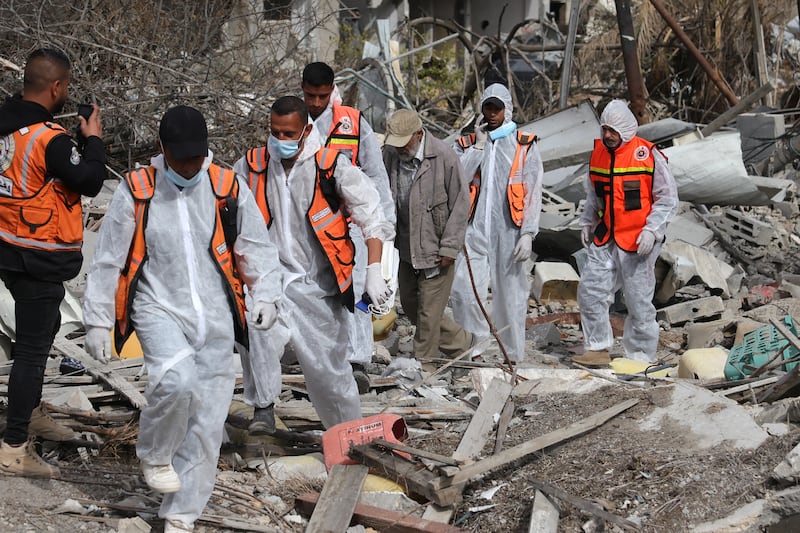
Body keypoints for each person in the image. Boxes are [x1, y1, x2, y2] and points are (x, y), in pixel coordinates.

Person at [82, 105, 282, 533]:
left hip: (216, 315)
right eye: (181, 159)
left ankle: (179, 516)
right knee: (175, 382)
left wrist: (267, 295)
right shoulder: (137, 190)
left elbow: (256, 247)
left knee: (208, 422)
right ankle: (154, 452)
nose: (190, 167)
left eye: (197, 158)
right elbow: (107, 260)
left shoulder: (227, 187)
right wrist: (98, 319)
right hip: (159, 306)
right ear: (161, 149)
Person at [234, 96, 393, 433]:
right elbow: (227, 208)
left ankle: (348, 433)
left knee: (330, 374)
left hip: (318, 285)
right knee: (254, 330)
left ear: (306, 130)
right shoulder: (252, 166)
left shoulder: (330, 166)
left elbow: (373, 218)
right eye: (274, 132)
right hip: (271, 280)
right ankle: (263, 408)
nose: (280, 140)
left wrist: (375, 270)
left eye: (288, 133)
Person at [0, 48, 106, 478]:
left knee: (39, 339)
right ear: (57, 87)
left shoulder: (8, 122)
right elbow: (90, 180)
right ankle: (13, 447)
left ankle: (31, 411)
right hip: (36, 253)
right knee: (31, 348)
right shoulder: (49, 138)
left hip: (8, 243)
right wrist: (94, 139)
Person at [301, 62, 396, 393]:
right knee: (312, 291)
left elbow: (376, 174)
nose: (315, 103)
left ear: (332, 91)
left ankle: (357, 360)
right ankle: (320, 358)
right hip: (309, 224)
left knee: (356, 291)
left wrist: (384, 225)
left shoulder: (353, 123)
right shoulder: (293, 123)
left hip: (351, 224)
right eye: (310, 96)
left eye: (321, 96)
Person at [572, 99, 678, 366]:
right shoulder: (597, 154)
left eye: (613, 130)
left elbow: (667, 199)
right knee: (590, 291)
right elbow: (594, 195)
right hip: (606, 235)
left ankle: (640, 357)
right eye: (605, 129)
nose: (607, 135)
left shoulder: (648, 155)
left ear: (626, 130)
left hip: (637, 240)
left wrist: (652, 231)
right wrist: (587, 220)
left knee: (638, 301)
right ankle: (597, 348)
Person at [450, 83, 543, 363]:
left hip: (509, 231)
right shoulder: (467, 144)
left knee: (510, 294)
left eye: (497, 108)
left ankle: (512, 354)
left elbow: (533, 191)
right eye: (487, 107)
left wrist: (528, 233)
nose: (492, 114)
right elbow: (457, 180)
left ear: (508, 109)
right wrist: (478, 147)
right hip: (473, 230)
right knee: (465, 291)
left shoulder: (523, 145)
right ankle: (473, 350)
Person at [382, 109, 473, 359]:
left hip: (436, 249)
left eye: (404, 144)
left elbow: (460, 205)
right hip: (406, 249)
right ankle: (463, 344)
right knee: (412, 306)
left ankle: (425, 365)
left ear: (419, 135)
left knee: (428, 314)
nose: (400, 150)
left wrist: (450, 247)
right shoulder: (390, 156)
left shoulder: (444, 158)